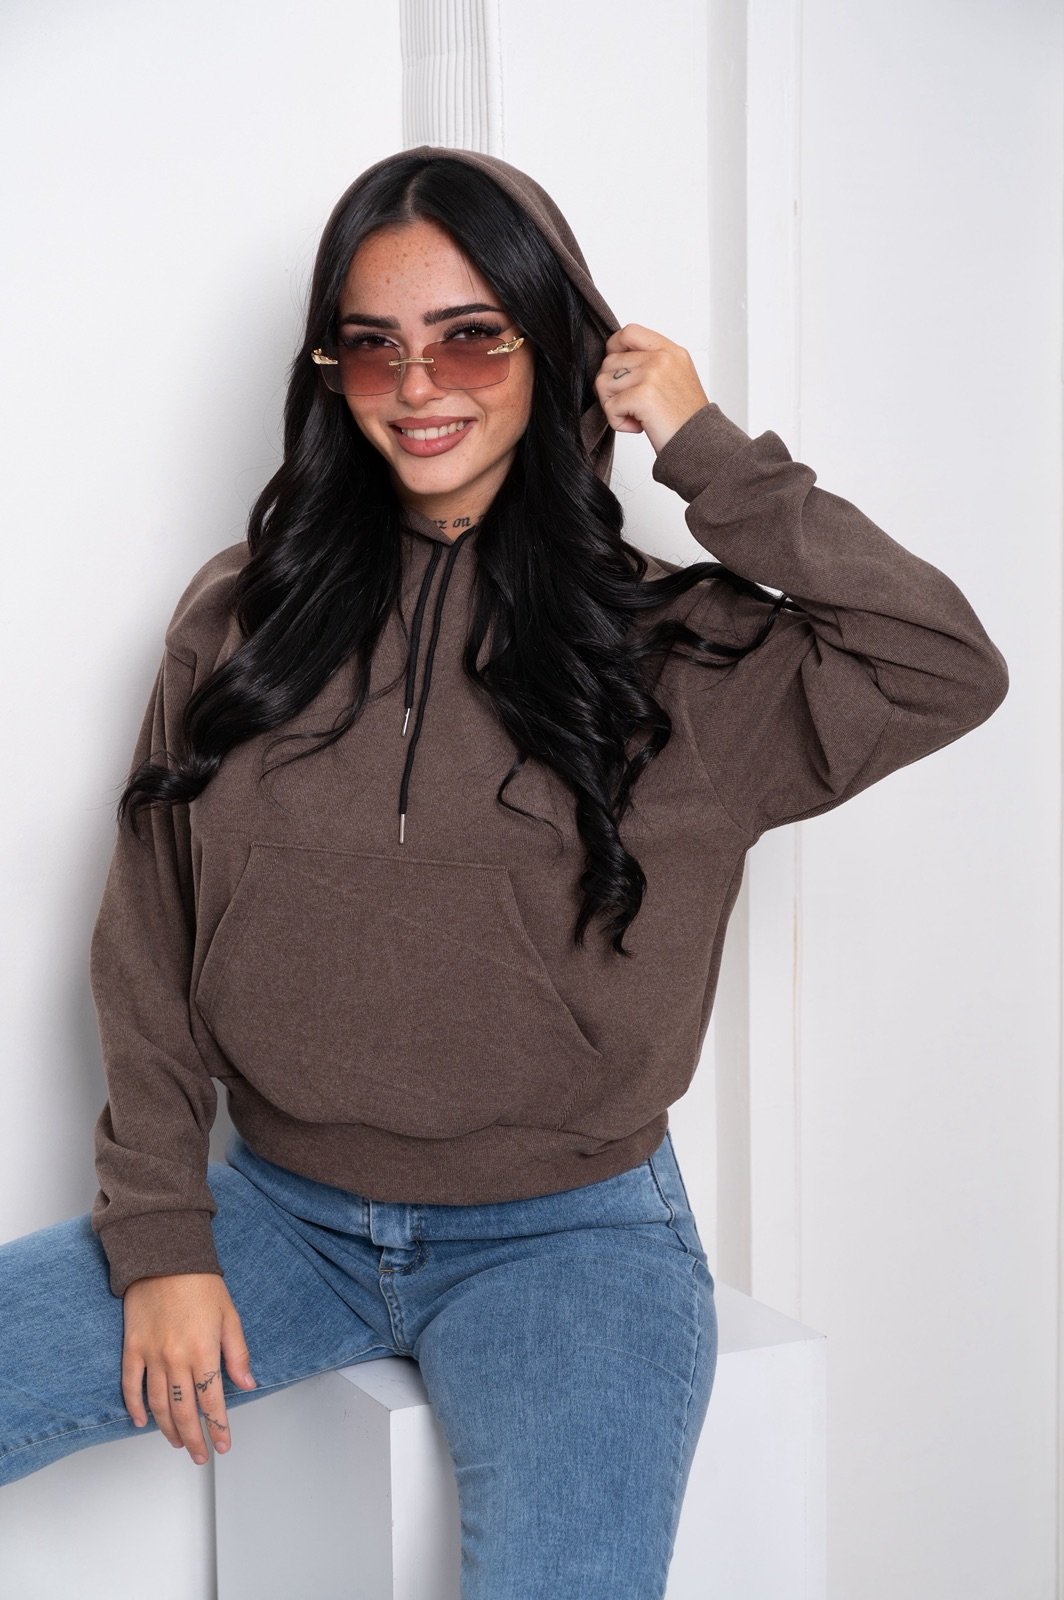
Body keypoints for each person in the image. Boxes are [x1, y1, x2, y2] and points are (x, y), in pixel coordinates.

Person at [0, 145, 1008, 1595]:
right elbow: (148, 931)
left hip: (570, 1248)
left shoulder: (678, 656)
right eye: (373, 346)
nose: (419, 386)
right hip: (279, 1217)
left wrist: (709, 450)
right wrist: (162, 1238)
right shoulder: (241, 620)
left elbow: (943, 663)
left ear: (556, 346)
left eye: (472, 336)